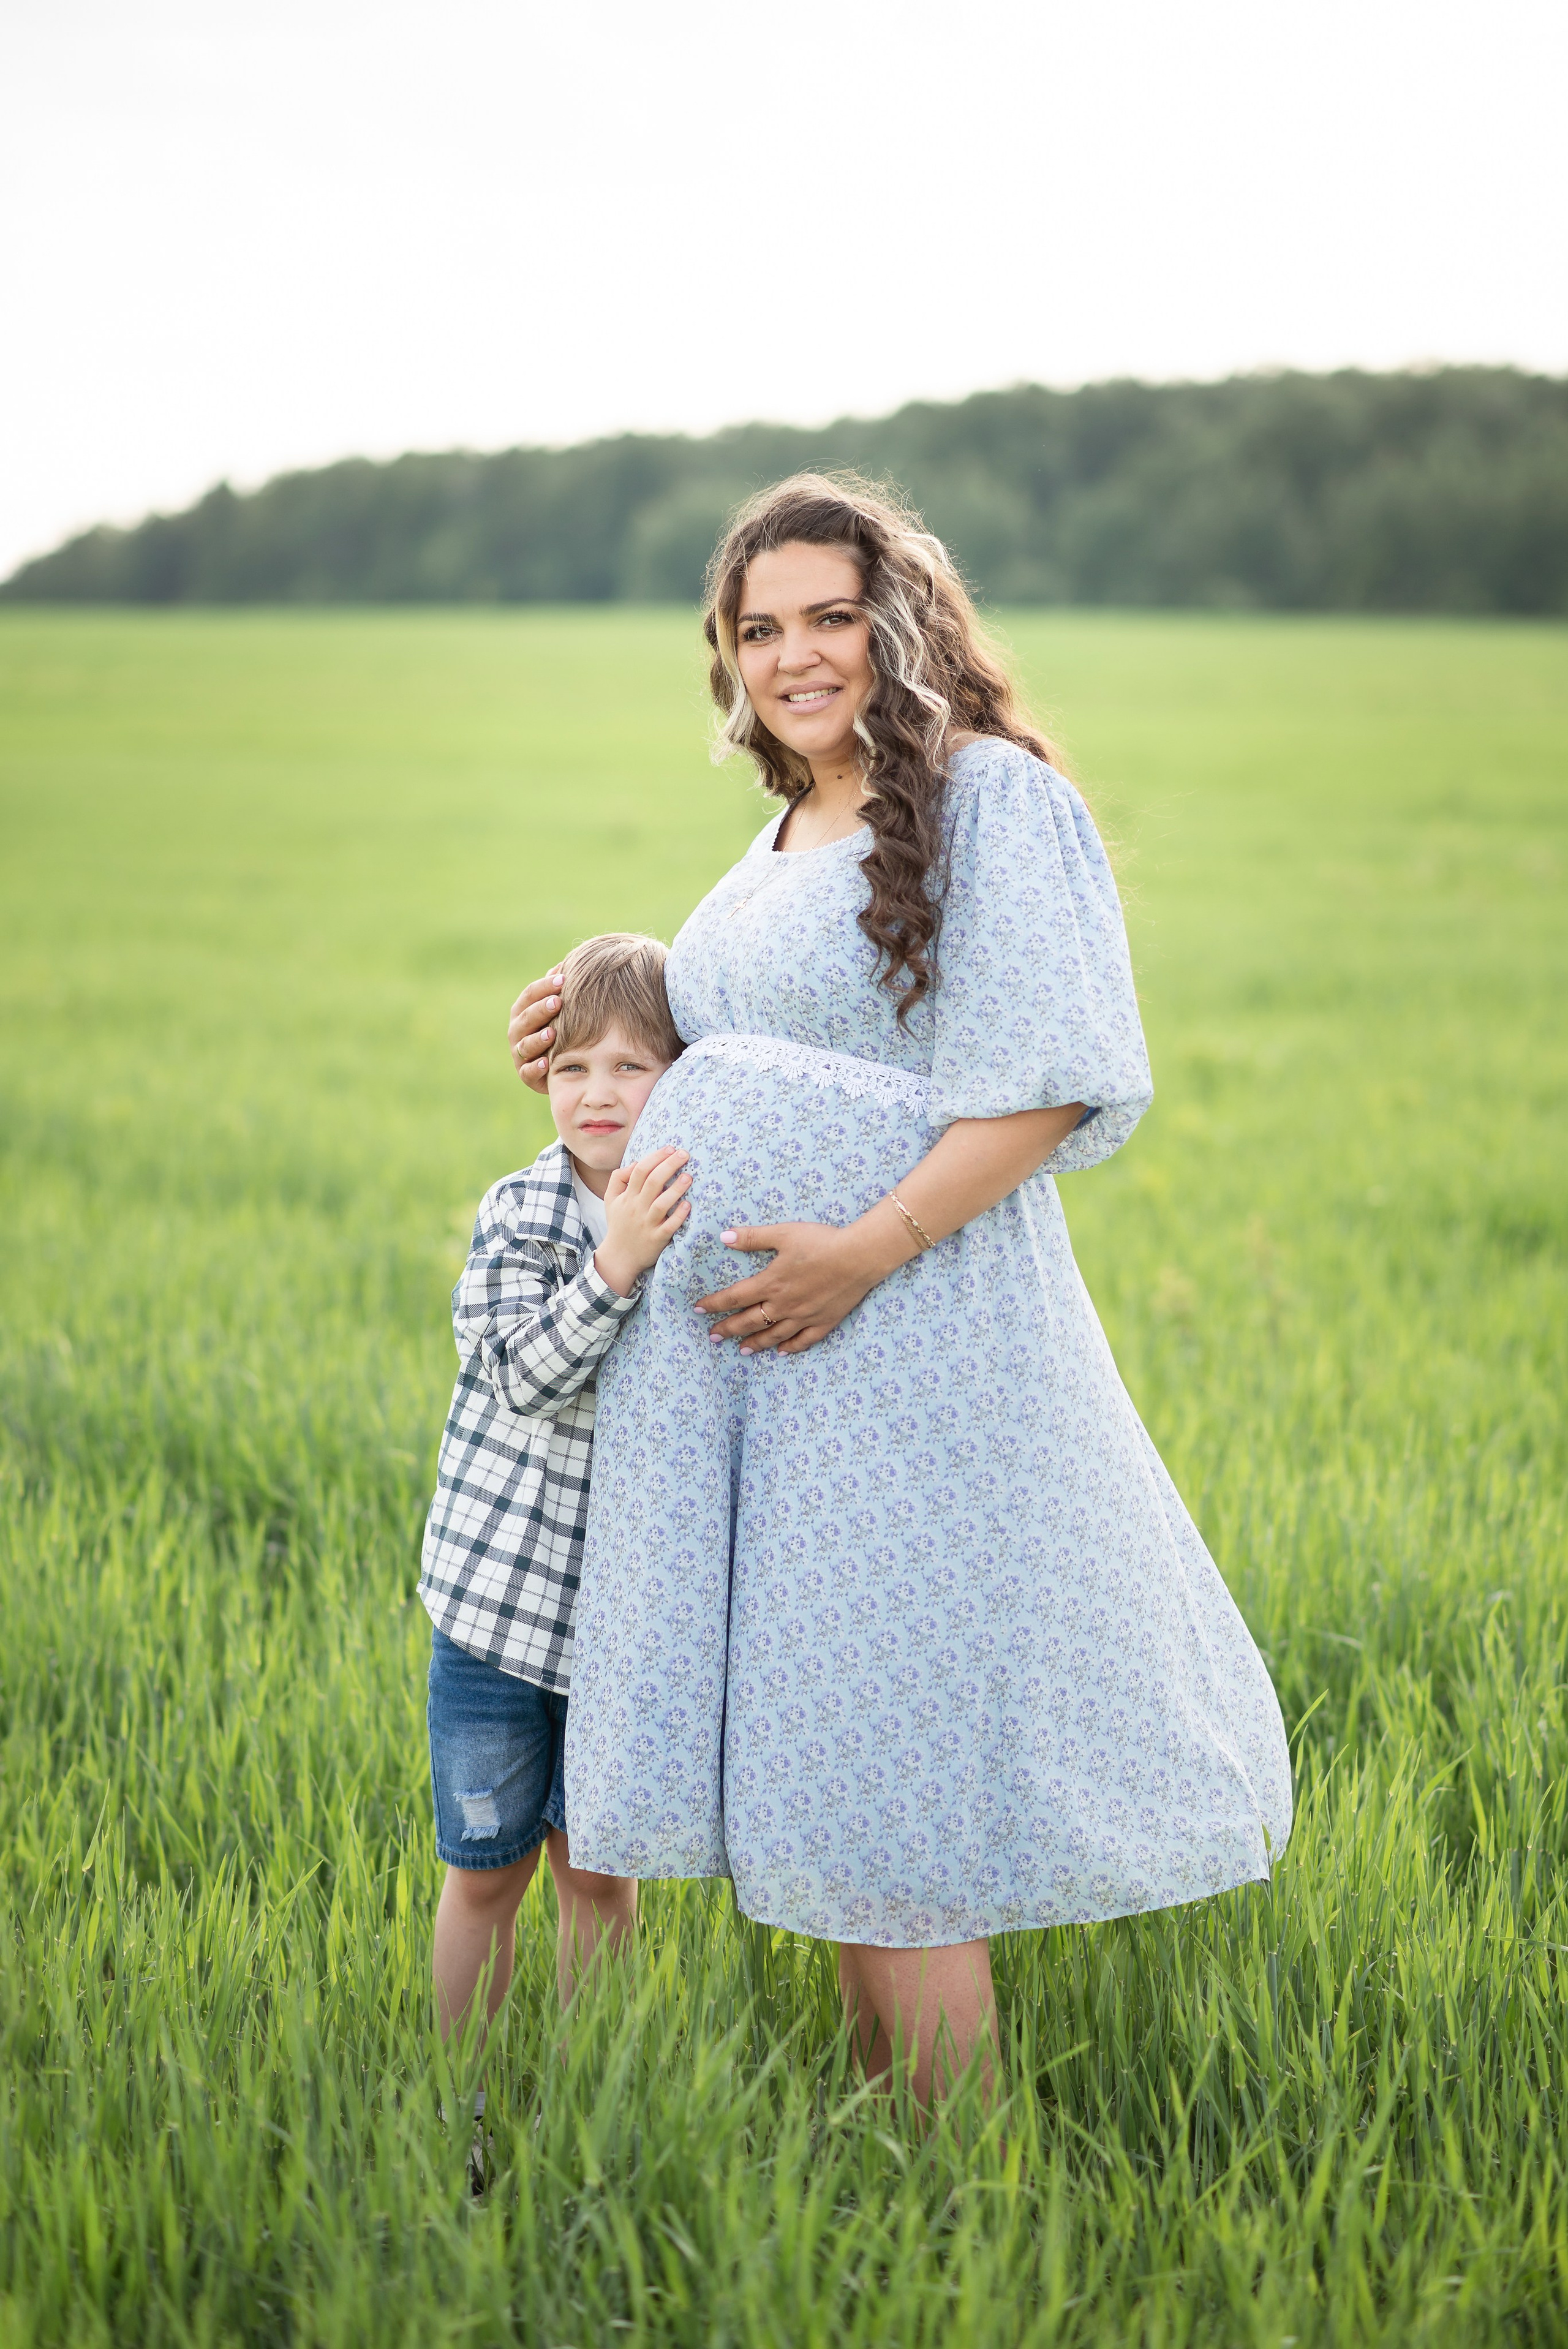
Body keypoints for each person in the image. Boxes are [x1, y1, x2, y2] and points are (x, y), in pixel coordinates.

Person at [508, 476, 1293, 2108]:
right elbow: (775, 1035)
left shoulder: (994, 794)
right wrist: (598, 1037)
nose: (793, 655)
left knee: (896, 1770)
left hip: (904, 1340)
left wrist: (865, 1247)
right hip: (765, 1378)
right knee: (837, 1766)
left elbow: (1052, 1076)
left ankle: (970, 2186)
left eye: (829, 617)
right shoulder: (785, 828)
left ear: (901, 621)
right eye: (759, 629)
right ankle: (895, 2159)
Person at [420, 933, 690, 2053]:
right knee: (487, 1873)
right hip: (497, 1619)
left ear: (684, 1074)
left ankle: (595, 2097)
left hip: (624, 1631)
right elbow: (523, 1376)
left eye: (631, 1066)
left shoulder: (695, 1211)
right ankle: (463, 2101)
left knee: (598, 1880)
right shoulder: (520, 1210)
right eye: (573, 1067)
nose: (598, 1094)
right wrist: (614, 1263)